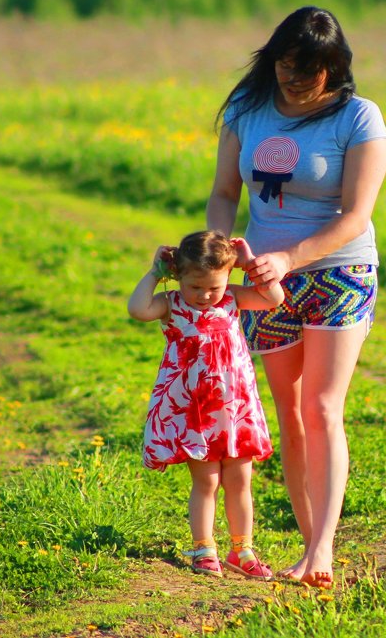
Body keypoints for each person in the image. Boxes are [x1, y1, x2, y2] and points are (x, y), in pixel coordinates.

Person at [206, 6, 386, 589]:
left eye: (306, 69)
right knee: (289, 413)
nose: (291, 77)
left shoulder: (359, 119)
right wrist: (221, 251)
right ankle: (309, 545)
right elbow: (222, 193)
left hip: (340, 272)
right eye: (284, 64)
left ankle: (323, 550)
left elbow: (357, 215)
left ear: (333, 67)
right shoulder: (246, 112)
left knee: (321, 407)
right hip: (265, 284)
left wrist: (290, 257)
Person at [128, 230, 284, 580]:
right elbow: (137, 309)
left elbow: (274, 298)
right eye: (195, 287)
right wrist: (155, 272)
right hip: (195, 411)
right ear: (178, 276)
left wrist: (250, 264)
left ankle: (242, 548)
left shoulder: (232, 298)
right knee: (207, 481)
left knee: (241, 479)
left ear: (227, 276)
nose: (204, 295)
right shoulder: (171, 303)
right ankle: (204, 547)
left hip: (234, 408)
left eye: (212, 286)